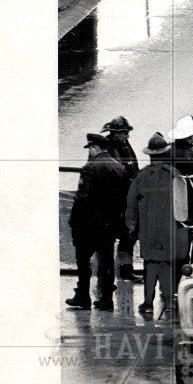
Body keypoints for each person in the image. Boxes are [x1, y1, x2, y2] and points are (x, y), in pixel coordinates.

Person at [125, 132, 190, 319]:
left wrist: (132, 228)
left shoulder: (141, 176)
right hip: (168, 229)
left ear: (150, 155)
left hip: (147, 230)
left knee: (150, 264)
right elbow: (183, 207)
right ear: (165, 153)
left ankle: (147, 303)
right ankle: (169, 303)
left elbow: (130, 205)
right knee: (167, 264)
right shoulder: (175, 176)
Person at [66, 133, 127, 311]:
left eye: (90, 148)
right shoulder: (119, 168)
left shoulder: (89, 168)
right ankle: (106, 299)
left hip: (87, 225)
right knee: (106, 261)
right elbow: (123, 199)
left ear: (94, 147)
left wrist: (74, 221)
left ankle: (83, 296)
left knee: (83, 261)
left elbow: (82, 198)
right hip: (108, 225)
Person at [101, 116, 139, 280]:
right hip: (112, 203)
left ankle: (125, 271)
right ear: (115, 133)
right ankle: (106, 274)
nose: (126, 136)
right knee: (106, 241)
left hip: (126, 201)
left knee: (128, 237)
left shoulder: (125, 146)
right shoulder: (108, 149)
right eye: (123, 133)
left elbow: (133, 166)